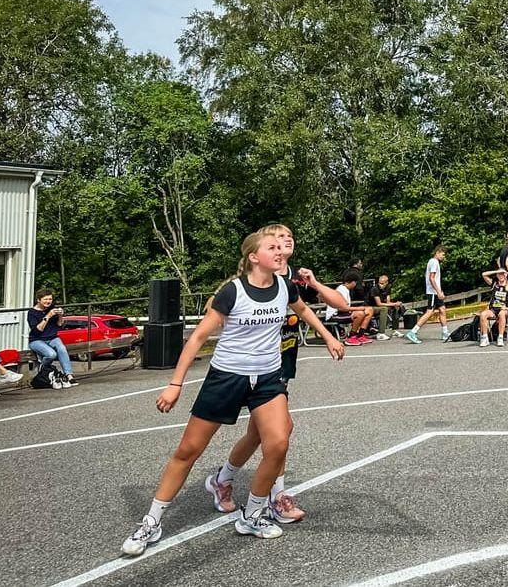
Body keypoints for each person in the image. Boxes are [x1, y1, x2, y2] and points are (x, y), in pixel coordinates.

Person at [121, 230, 345, 557]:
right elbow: (197, 339)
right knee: (189, 450)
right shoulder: (232, 291)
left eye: (282, 247)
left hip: (267, 378)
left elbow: (306, 311)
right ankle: (151, 521)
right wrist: (175, 384)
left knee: (279, 442)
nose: (280, 251)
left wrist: (328, 337)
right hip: (226, 377)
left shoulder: (285, 286)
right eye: (271, 247)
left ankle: (252, 515)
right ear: (254, 257)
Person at [208, 225, 348, 523]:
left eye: (290, 238)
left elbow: (340, 304)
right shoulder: (253, 278)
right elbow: (215, 305)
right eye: (279, 238)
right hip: (246, 366)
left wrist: (326, 328)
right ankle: (276, 496)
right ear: (264, 247)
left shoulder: (294, 278)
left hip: (281, 360)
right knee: (280, 430)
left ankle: (224, 479)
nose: (286, 242)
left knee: (262, 433)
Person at [28, 289, 76, 389]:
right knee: (51, 354)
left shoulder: (53, 308)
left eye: (50, 299)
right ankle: (44, 367)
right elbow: (37, 330)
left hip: (52, 337)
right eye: (45, 299)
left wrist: (60, 315)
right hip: (37, 339)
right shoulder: (32, 312)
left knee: (62, 349)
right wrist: (48, 316)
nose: (48, 301)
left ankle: (69, 375)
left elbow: (59, 325)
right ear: (38, 300)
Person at [406, 246, 449, 344]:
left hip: (435, 291)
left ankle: (445, 333)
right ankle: (413, 331)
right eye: (443, 254)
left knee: (442, 310)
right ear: (437, 252)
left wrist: (440, 290)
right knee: (429, 312)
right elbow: (431, 278)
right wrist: (438, 291)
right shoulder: (434, 262)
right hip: (433, 292)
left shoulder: (434, 262)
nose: (443, 257)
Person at [478, 268, 508, 348]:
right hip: (493, 310)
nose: (501, 275)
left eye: (503, 273)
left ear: (506, 274)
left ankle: (500, 337)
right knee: (483, 314)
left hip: (504, 310)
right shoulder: (494, 284)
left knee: (502, 314)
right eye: (499, 274)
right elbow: (484, 274)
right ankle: (485, 338)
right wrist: (497, 271)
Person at [332, 271, 373, 346]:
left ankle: (360, 335)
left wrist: (360, 308)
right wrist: (359, 309)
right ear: (352, 282)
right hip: (336, 314)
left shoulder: (346, 290)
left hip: (343, 312)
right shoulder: (341, 290)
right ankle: (351, 336)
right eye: (355, 282)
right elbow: (342, 308)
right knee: (360, 313)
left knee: (369, 309)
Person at [369, 273, 404, 339]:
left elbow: (388, 301)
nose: (380, 285)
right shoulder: (374, 289)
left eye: (382, 283)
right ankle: (381, 333)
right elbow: (379, 304)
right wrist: (394, 304)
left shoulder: (388, 287)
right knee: (384, 309)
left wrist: (396, 304)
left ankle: (394, 330)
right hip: (370, 306)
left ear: (386, 283)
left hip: (380, 306)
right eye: (379, 283)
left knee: (395, 307)